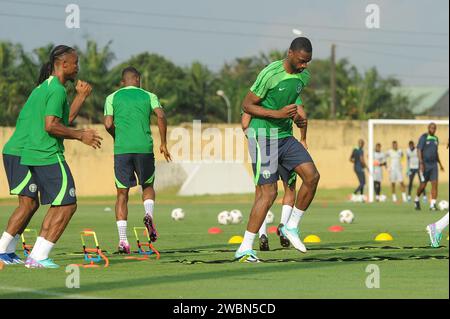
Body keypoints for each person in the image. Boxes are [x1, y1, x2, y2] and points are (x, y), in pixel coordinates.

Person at [0, 51, 93, 266]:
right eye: (75, 63)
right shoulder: (55, 90)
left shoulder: (45, 89)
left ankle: (12, 251)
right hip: (24, 151)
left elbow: (64, 120)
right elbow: (51, 125)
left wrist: (80, 97)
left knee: (32, 204)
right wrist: (81, 135)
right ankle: (24, 253)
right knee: (43, 204)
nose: (78, 67)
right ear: (63, 64)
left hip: (28, 151)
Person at [235, 37, 320, 263]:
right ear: (290, 53)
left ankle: (291, 226)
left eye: (308, 62)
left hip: (285, 136)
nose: (304, 66)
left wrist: (298, 120)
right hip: (263, 136)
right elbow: (247, 105)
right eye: (302, 61)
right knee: (269, 193)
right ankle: (244, 247)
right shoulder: (269, 74)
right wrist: (279, 114)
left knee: (312, 177)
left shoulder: (304, 76)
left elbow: (292, 105)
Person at [104, 66, 171, 254]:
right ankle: (148, 214)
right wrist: (164, 143)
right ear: (138, 80)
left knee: (121, 194)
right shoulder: (149, 96)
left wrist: (118, 136)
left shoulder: (112, 97)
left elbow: (108, 123)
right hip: (144, 148)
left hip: (122, 150)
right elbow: (161, 115)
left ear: (122, 82)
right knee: (147, 186)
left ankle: (123, 241)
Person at [241, 113, 297, 251]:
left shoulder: (254, 98)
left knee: (262, 192)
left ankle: (262, 234)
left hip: (262, 143)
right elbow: (301, 116)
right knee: (290, 188)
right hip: (285, 143)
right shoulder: (289, 95)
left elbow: (245, 124)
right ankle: (283, 227)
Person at [414, 123, 445, 211]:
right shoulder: (424, 137)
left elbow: (436, 152)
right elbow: (419, 149)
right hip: (424, 165)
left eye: (434, 128)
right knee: (423, 185)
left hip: (434, 165)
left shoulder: (436, 139)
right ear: (428, 128)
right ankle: (416, 199)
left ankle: (433, 204)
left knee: (435, 184)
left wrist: (440, 164)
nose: (433, 129)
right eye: (431, 128)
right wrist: (421, 163)